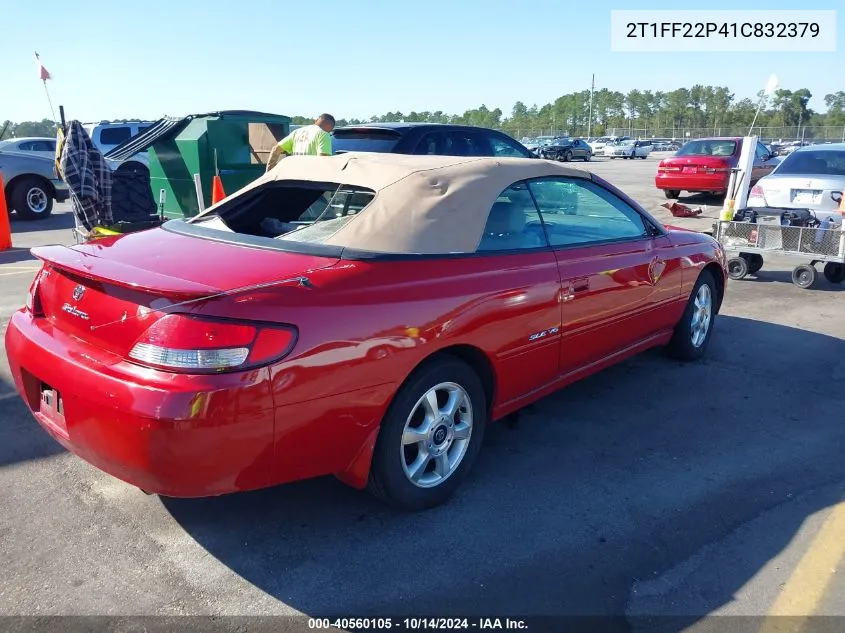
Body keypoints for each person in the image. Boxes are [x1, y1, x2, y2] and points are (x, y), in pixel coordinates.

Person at [266, 113, 336, 171]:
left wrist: (268, 173)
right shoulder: (323, 134)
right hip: (312, 180)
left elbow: (275, 149)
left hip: (294, 177)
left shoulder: (297, 132)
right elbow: (323, 160)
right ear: (331, 127)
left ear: (316, 121)